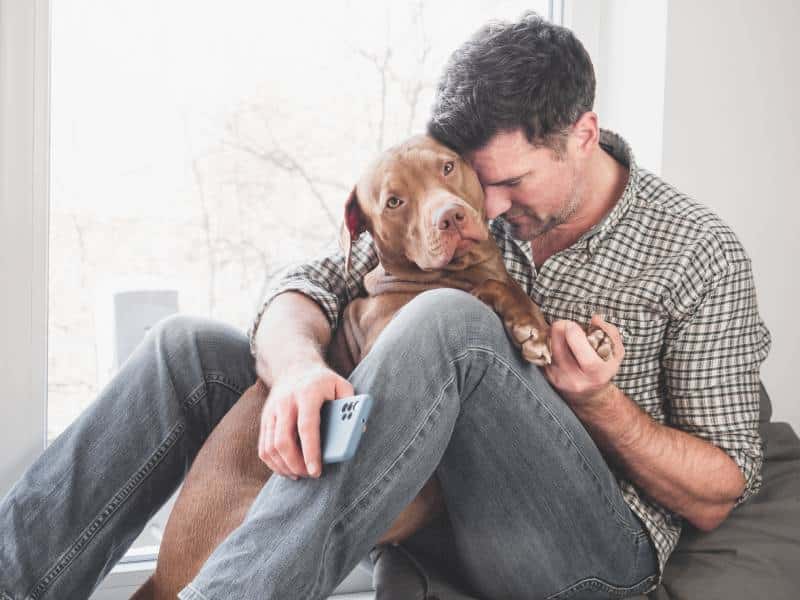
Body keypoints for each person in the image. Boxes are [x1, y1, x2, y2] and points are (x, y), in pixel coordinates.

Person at [0, 11, 770, 600]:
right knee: (187, 348)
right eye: (471, 179)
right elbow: (307, 280)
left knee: (451, 324)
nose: (484, 210)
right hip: (428, 502)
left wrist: (601, 405)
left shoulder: (696, 253)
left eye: (511, 183)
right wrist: (299, 369)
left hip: (582, 550)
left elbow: (720, 489)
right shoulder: (453, 199)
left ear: (584, 134)